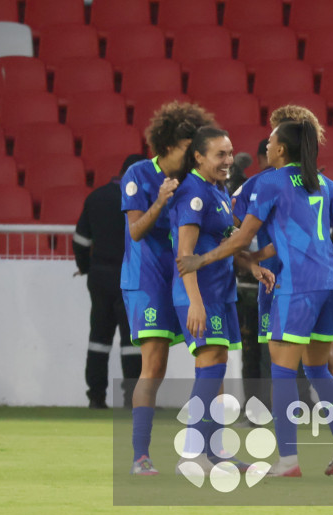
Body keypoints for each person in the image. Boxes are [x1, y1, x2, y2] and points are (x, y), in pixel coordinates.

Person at [178, 119, 333, 477]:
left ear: (280, 149)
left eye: (271, 141)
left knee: (281, 371)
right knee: (318, 368)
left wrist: (202, 258)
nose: (265, 146)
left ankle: (288, 461)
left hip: (296, 285)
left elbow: (239, 235)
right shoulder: (326, 183)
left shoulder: (267, 183)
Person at [169, 126, 274, 473]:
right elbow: (185, 255)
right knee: (211, 365)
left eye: (230, 153)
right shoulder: (193, 194)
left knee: (215, 371)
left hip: (221, 292)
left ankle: (215, 452)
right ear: (198, 156)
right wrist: (195, 303)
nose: (229, 160)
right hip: (200, 295)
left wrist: (251, 266)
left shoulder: (217, 190)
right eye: (220, 154)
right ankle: (194, 449)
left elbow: (225, 241)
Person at [123, 101, 215, 475]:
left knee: (212, 361)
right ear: (168, 144)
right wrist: (160, 201)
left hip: (187, 279)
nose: (194, 155)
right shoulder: (139, 174)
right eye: (187, 147)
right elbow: (136, 231)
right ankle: (140, 457)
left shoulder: (196, 182)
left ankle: (211, 451)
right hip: (148, 281)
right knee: (154, 366)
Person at [73, 153, 145, 409]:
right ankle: (133, 399)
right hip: (133, 279)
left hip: (100, 276)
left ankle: (96, 396)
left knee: (99, 338)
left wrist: (85, 267)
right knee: (132, 341)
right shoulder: (144, 202)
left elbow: (80, 241)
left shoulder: (97, 197)